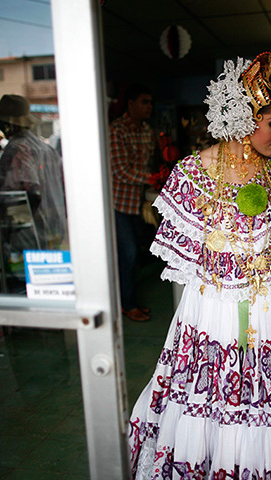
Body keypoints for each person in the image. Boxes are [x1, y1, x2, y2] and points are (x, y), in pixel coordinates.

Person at [128, 52, 271, 480]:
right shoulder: (193, 174)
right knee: (215, 407)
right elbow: (187, 270)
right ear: (245, 118)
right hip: (217, 312)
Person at [0, 94, 67, 250]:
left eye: (1, 121)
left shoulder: (18, 148)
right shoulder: (45, 148)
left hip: (31, 232)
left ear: (8, 124)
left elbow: (30, 191)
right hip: (54, 227)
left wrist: (16, 225)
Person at [109, 83, 156, 322]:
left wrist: (154, 180)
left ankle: (128, 300)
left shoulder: (147, 131)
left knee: (135, 254)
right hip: (117, 204)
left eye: (150, 102)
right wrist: (150, 178)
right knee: (127, 254)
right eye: (144, 102)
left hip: (138, 203)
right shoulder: (116, 131)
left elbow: (145, 166)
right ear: (131, 104)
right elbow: (120, 171)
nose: (149, 107)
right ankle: (126, 305)